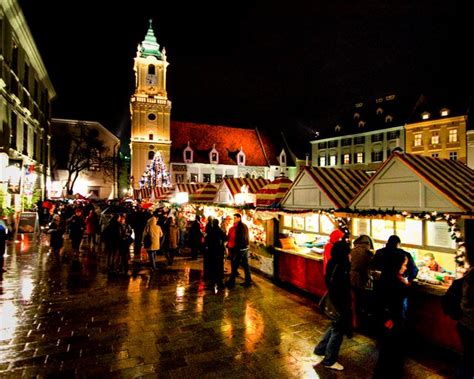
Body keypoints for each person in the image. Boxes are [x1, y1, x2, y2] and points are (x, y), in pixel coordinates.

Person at [313, 238, 353, 371]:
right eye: (349, 252)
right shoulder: (343, 266)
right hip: (339, 302)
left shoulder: (332, 262)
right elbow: (342, 288)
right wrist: (344, 307)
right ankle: (329, 360)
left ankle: (320, 349)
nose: (350, 255)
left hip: (334, 299)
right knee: (338, 330)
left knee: (334, 326)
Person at [373, 253, 411, 378]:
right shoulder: (394, 282)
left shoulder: (386, 278)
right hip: (392, 323)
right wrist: (388, 319)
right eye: (404, 265)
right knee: (391, 353)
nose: (405, 268)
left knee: (387, 353)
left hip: (389, 321)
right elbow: (392, 302)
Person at [456, 244, 474, 379]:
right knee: (469, 358)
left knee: (468, 357)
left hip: (464, 324)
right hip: (470, 325)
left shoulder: (469, 276)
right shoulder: (472, 278)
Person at [350, 234, 375, 329]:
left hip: (350, 277)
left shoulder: (352, 251)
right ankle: (359, 322)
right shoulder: (367, 253)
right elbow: (370, 266)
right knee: (360, 301)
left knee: (354, 300)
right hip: (360, 280)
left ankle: (354, 321)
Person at [226, 213, 252, 288]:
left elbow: (237, 238)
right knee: (245, 265)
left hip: (239, 248)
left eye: (235, 218)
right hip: (245, 248)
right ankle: (248, 281)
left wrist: (235, 247)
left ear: (239, 218)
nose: (234, 219)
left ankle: (232, 282)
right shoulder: (244, 226)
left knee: (235, 265)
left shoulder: (239, 227)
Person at [205, 218, 226, 289]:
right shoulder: (220, 230)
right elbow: (225, 238)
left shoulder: (211, 231)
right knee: (219, 265)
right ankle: (220, 281)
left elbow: (207, 239)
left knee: (212, 265)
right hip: (219, 251)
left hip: (212, 250)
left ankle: (212, 281)